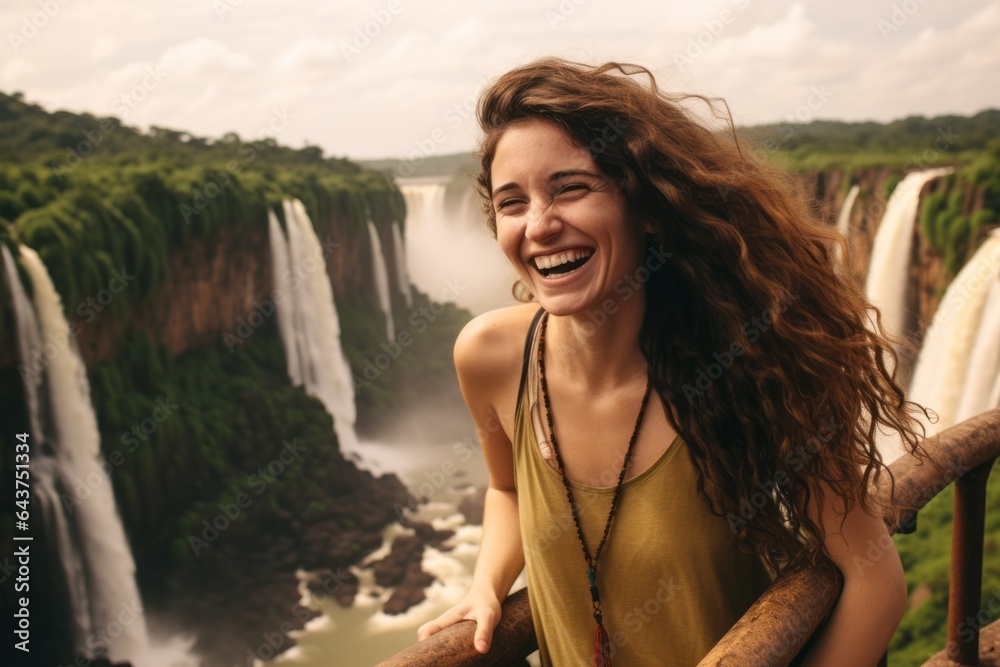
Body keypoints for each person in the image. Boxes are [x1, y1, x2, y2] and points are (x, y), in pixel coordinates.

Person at [417, 58, 930, 666]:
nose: (541, 225)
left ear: (646, 203)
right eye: (512, 202)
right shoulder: (491, 359)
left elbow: (874, 579)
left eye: (570, 188)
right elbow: (506, 487)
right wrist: (487, 584)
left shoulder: (742, 368)